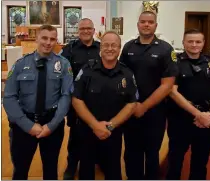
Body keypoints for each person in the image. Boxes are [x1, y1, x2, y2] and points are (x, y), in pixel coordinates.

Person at [3, 24, 73, 180]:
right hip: (23, 124)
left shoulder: (63, 65)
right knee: (20, 170)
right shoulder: (21, 64)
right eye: (44, 38)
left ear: (56, 41)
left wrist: (52, 125)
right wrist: (29, 126)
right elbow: (9, 97)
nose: (48, 43)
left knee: (50, 170)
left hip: (52, 124)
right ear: (37, 39)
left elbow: (66, 96)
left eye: (52, 39)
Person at [119, 11, 179, 180]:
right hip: (130, 109)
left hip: (155, 112)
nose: (146, 25)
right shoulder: (128, 47)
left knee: (152, 153)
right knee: (131, 152)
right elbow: (122, 76)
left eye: (150, 22)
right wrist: (131, 105)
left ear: (155, 25)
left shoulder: (166, 49)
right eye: (143, 22)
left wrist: (144, 106)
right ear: (138, 24)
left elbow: (167, 85)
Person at [166, 29, 210, 180]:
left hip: (205, 121)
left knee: (200, 164)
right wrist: (198, 114)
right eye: (190, 41)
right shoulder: (174, 64)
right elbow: (172, 92)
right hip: (180, 120)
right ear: (183, 43)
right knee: (175, 162)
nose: (194, 45)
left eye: (198, 42)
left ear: (203, 44)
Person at [72, 30, 137, 180]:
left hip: (112, 131)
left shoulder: (127, 74)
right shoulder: (87, 70)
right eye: (106, 45)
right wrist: (95, 125)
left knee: (113, 170)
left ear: (119, 49)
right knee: (86, 171)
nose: (109, 48)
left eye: (114, 45)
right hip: (88, 130)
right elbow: (76, 99)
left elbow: (131, 103)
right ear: (100, 48)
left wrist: (110, 126)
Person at [60, 18, 101, 180]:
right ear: (78, 30)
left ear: (93, 30)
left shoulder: (101, 47)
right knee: (76, 136)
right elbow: (62, 75)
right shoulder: (69, 50)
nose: (85, 31)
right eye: (82, 28)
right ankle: (71, 165)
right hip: (76, 102)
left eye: (88, 28)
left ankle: (98, 160)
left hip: (98, 101)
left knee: (97, 131)